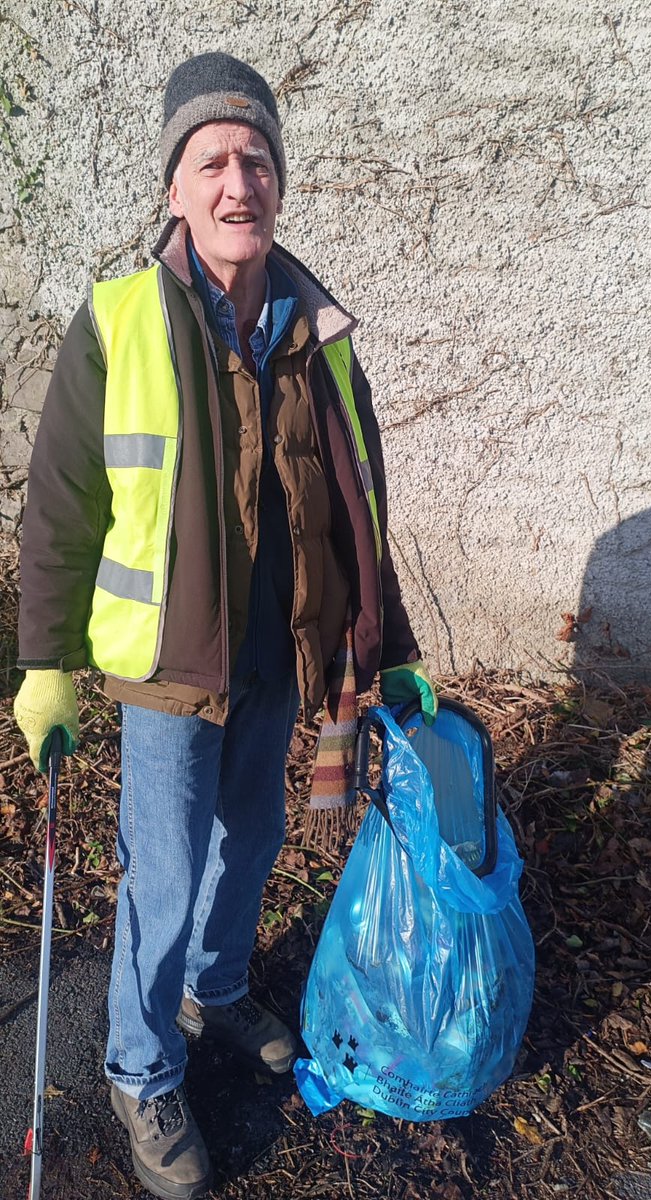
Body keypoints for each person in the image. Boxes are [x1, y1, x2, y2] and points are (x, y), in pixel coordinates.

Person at [13, 52, 437, 1200]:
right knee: (161, 861)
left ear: (280, 184)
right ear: (176, 188)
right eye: (211, 160)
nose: (236, 179)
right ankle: (141, 1066)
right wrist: (44, 661)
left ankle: (216, 986)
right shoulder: (119, 321)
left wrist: (386, 652)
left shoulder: (319, 328)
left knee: (250, 836)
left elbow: (360, 506)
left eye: (255, 158)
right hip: (165, 657)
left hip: (278, 647)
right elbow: (60, 504)